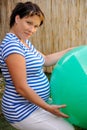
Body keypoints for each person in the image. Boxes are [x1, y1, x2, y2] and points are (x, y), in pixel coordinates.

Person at [0, 1, 75, 130]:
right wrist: (48, 108)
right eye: (29, 23)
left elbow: (45, 60)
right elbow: (21, 87)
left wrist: (70, 50)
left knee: (68, 122)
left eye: (36, 26)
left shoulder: (24, 42)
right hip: (20, 109)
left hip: (36, 104)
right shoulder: (12, 46)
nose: (32, 30)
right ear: (17, 18)